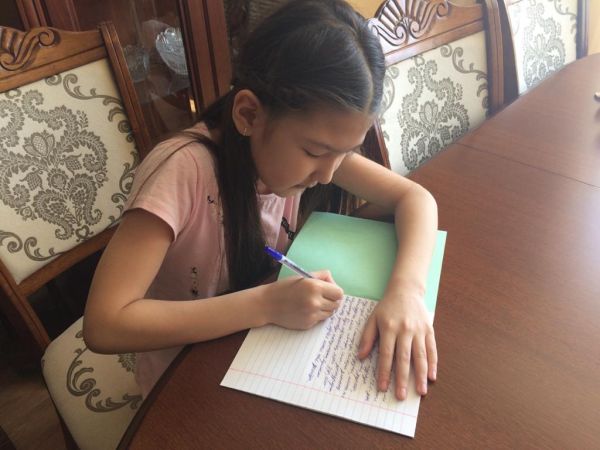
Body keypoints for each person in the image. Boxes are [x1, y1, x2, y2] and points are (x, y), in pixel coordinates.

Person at [83, 0, 438, 401]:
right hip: (183, 378)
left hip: (260, 354)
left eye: (345, 154)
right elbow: (105, 324)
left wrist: (408, 291)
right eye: (315, 152)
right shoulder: (181, 172)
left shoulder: (312, 148)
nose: (328, 174)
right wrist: (266, 304)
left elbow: (416, 199)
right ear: (249, 115)